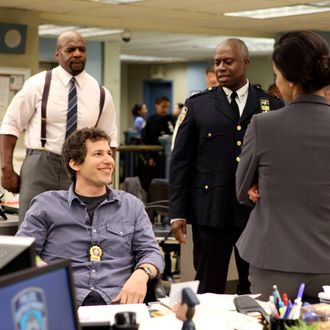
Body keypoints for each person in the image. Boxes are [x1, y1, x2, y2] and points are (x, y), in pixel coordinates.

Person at [169, 38, 284, 295]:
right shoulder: (198, 105)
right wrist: (177, 211)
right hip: (210, 211)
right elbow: (180, 162)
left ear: (245, 63)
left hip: (256, 213)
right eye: (217, 62)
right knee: (209, 285)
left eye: (227, 61)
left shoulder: (271, 105)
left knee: (254, 286)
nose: (220, 67)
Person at [16, 127, 164, 306]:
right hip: (64, 304)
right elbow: (21, 255)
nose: (108, 160)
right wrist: (44, 274)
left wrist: (142, 275)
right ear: (75, 164)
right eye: (98, 154)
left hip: (118, 306)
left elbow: (152, 252)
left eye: (109, 153)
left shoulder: (131, 206)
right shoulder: (45, 206)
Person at [236, 31, 330, 302]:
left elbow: (242, 191)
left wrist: (257, 186)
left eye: (276, 74)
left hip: (274, 260)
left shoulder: (262, 125)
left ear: (290, 80)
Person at [0, 31, 118, 226]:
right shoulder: (38, 84)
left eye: (82, 49)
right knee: (33, 227)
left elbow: (110, 140)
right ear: (58, 54)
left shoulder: (100, 93)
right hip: (40, 164)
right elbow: (10, 126)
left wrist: (105, 175)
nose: (77, 53)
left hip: (82, 167)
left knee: (80, 228)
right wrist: (7, 169)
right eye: (70, 49)